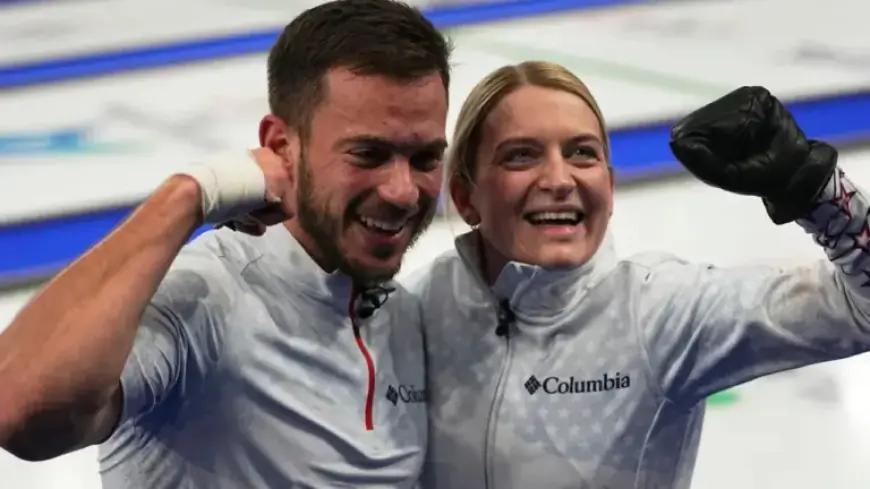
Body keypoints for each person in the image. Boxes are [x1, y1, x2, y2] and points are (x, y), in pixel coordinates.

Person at [0, 0, 451, 487]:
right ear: (280, 146)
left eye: (425, 158)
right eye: (369, 154)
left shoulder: (407, 317)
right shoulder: (205, 295)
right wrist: (184, 198)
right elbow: (22, 415)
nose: (403, 191)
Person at [405, 60, 870, 489]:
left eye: (581, 154)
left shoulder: (661, 312)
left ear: (608, 188)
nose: (559, 179)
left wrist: (816, 192)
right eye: (522, 156)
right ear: (465, 197)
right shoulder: (419, 310)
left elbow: (861, 310)